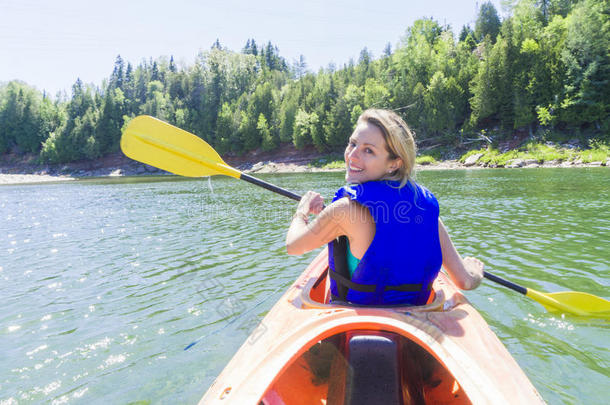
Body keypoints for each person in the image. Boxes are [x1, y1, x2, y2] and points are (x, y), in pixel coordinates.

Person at [286, 109, 483, 306]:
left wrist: (302, 211)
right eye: (352, 144)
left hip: (357, 325)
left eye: (368, 150)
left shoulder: (344, 210)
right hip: (415, 322)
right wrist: (474, 270)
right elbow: (465, 281)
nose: (352, 156)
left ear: (394, 164)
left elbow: (294, 246)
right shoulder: (425, 210)